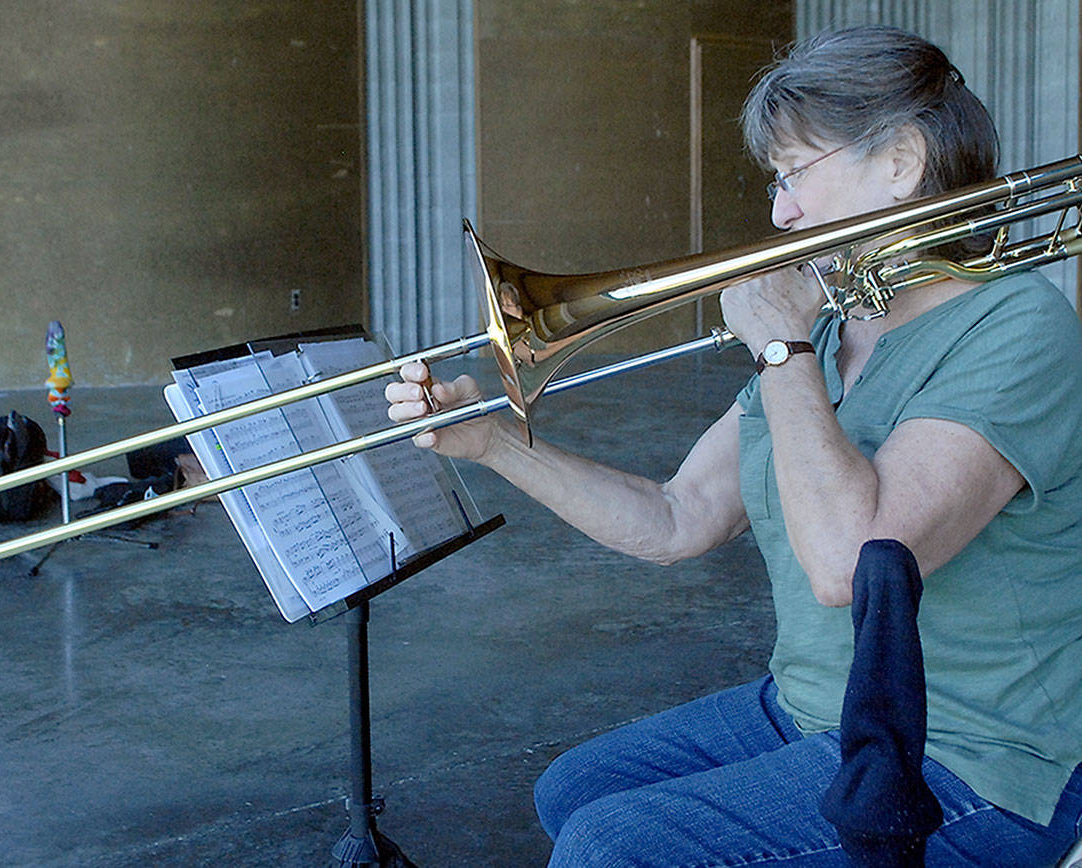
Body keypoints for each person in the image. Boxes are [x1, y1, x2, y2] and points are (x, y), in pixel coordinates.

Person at [386, 26, 1082, 866]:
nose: (780, 212)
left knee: (614, 844)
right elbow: (678, 518)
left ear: (901, 160)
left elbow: (850, 566)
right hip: (821, 708)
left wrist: (781, 350)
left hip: (971, 754)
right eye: (775, 181)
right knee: (574, 789)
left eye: (796, 173)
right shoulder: (832, 329)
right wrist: (496, 443)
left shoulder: (1017, 325)